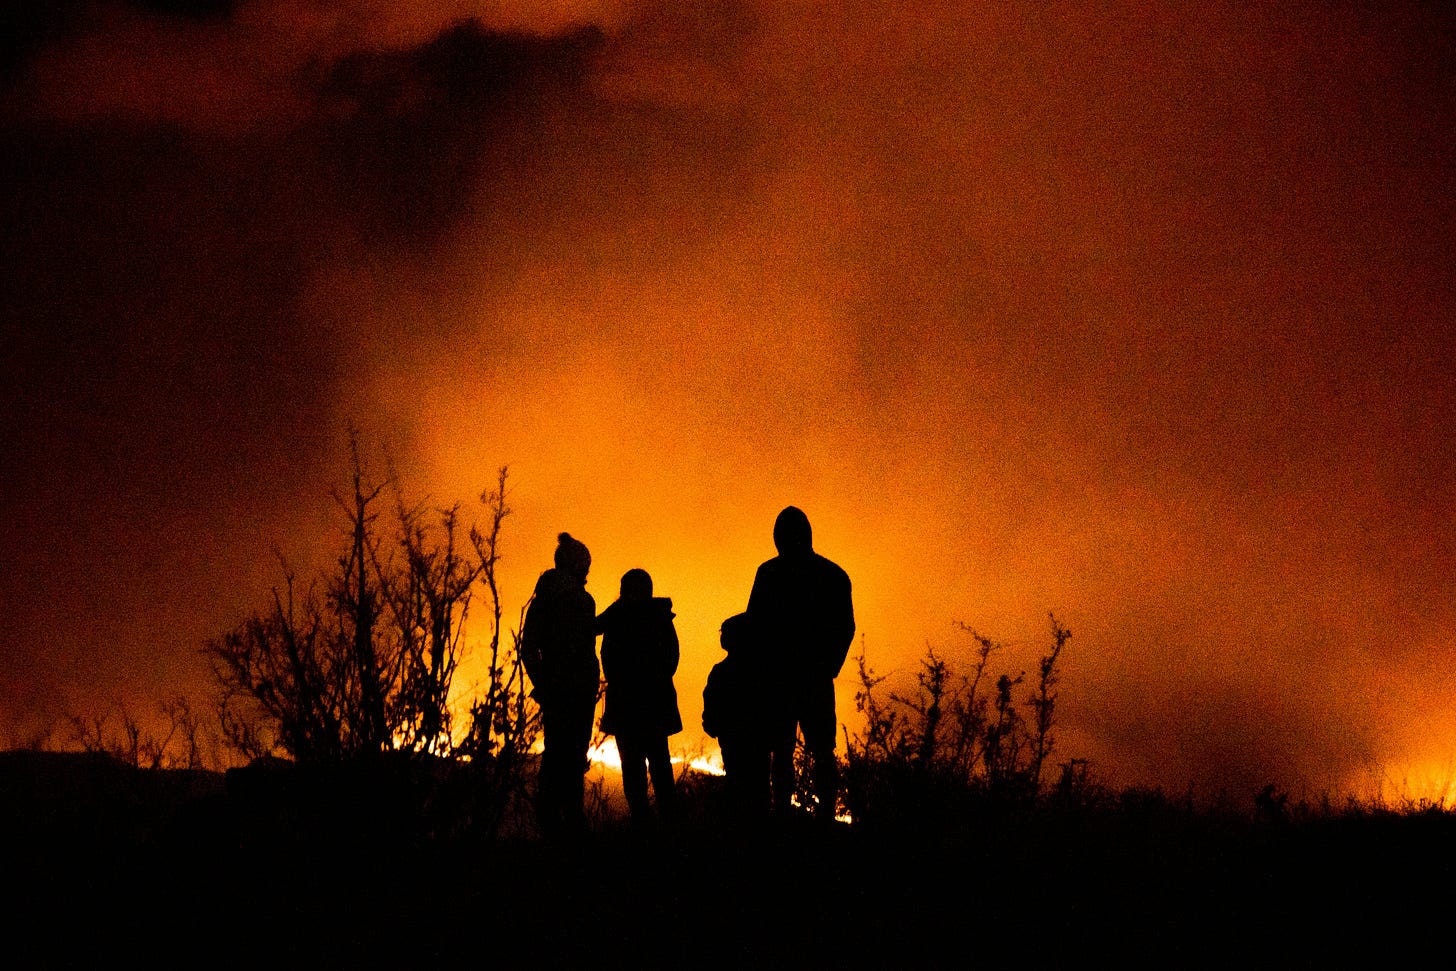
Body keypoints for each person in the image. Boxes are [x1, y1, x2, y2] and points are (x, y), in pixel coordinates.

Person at [746, 506, 855, 820]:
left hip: (785, 678)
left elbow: (755, 624)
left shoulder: (769, 573)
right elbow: (844, 628)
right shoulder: (832, 575)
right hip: (808, 678)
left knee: (787, 752)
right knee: (816, 752)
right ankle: (820, 818)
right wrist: (828, 667)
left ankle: (784, 814)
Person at [521, 532, 599, 835]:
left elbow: (530, 648)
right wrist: (546, 683)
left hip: (564, 688)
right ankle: (565, 823)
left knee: (558, 754)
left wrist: (542, 683)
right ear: (579, 564)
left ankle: (556, 822)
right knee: (568, 756)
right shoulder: (578, 600)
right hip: (574, 690)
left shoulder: (545, 599)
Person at [597, 568, 682, 825]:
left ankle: (644, 825)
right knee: (658, 765)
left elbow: (606, 655)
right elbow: (672, 659)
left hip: (627, 706)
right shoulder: (660, 618)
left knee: (635, 768)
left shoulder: (617, 618)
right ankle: (667, 823)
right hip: (654, 705)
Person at [703, 611, 782, 817]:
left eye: (725, 632)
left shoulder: (722, 671)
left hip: (736, 738)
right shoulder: (761, 671)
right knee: (758, 786)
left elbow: (711, 703)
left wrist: (712, 724)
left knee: (740, 783)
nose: (722, 636)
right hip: (753, 739)